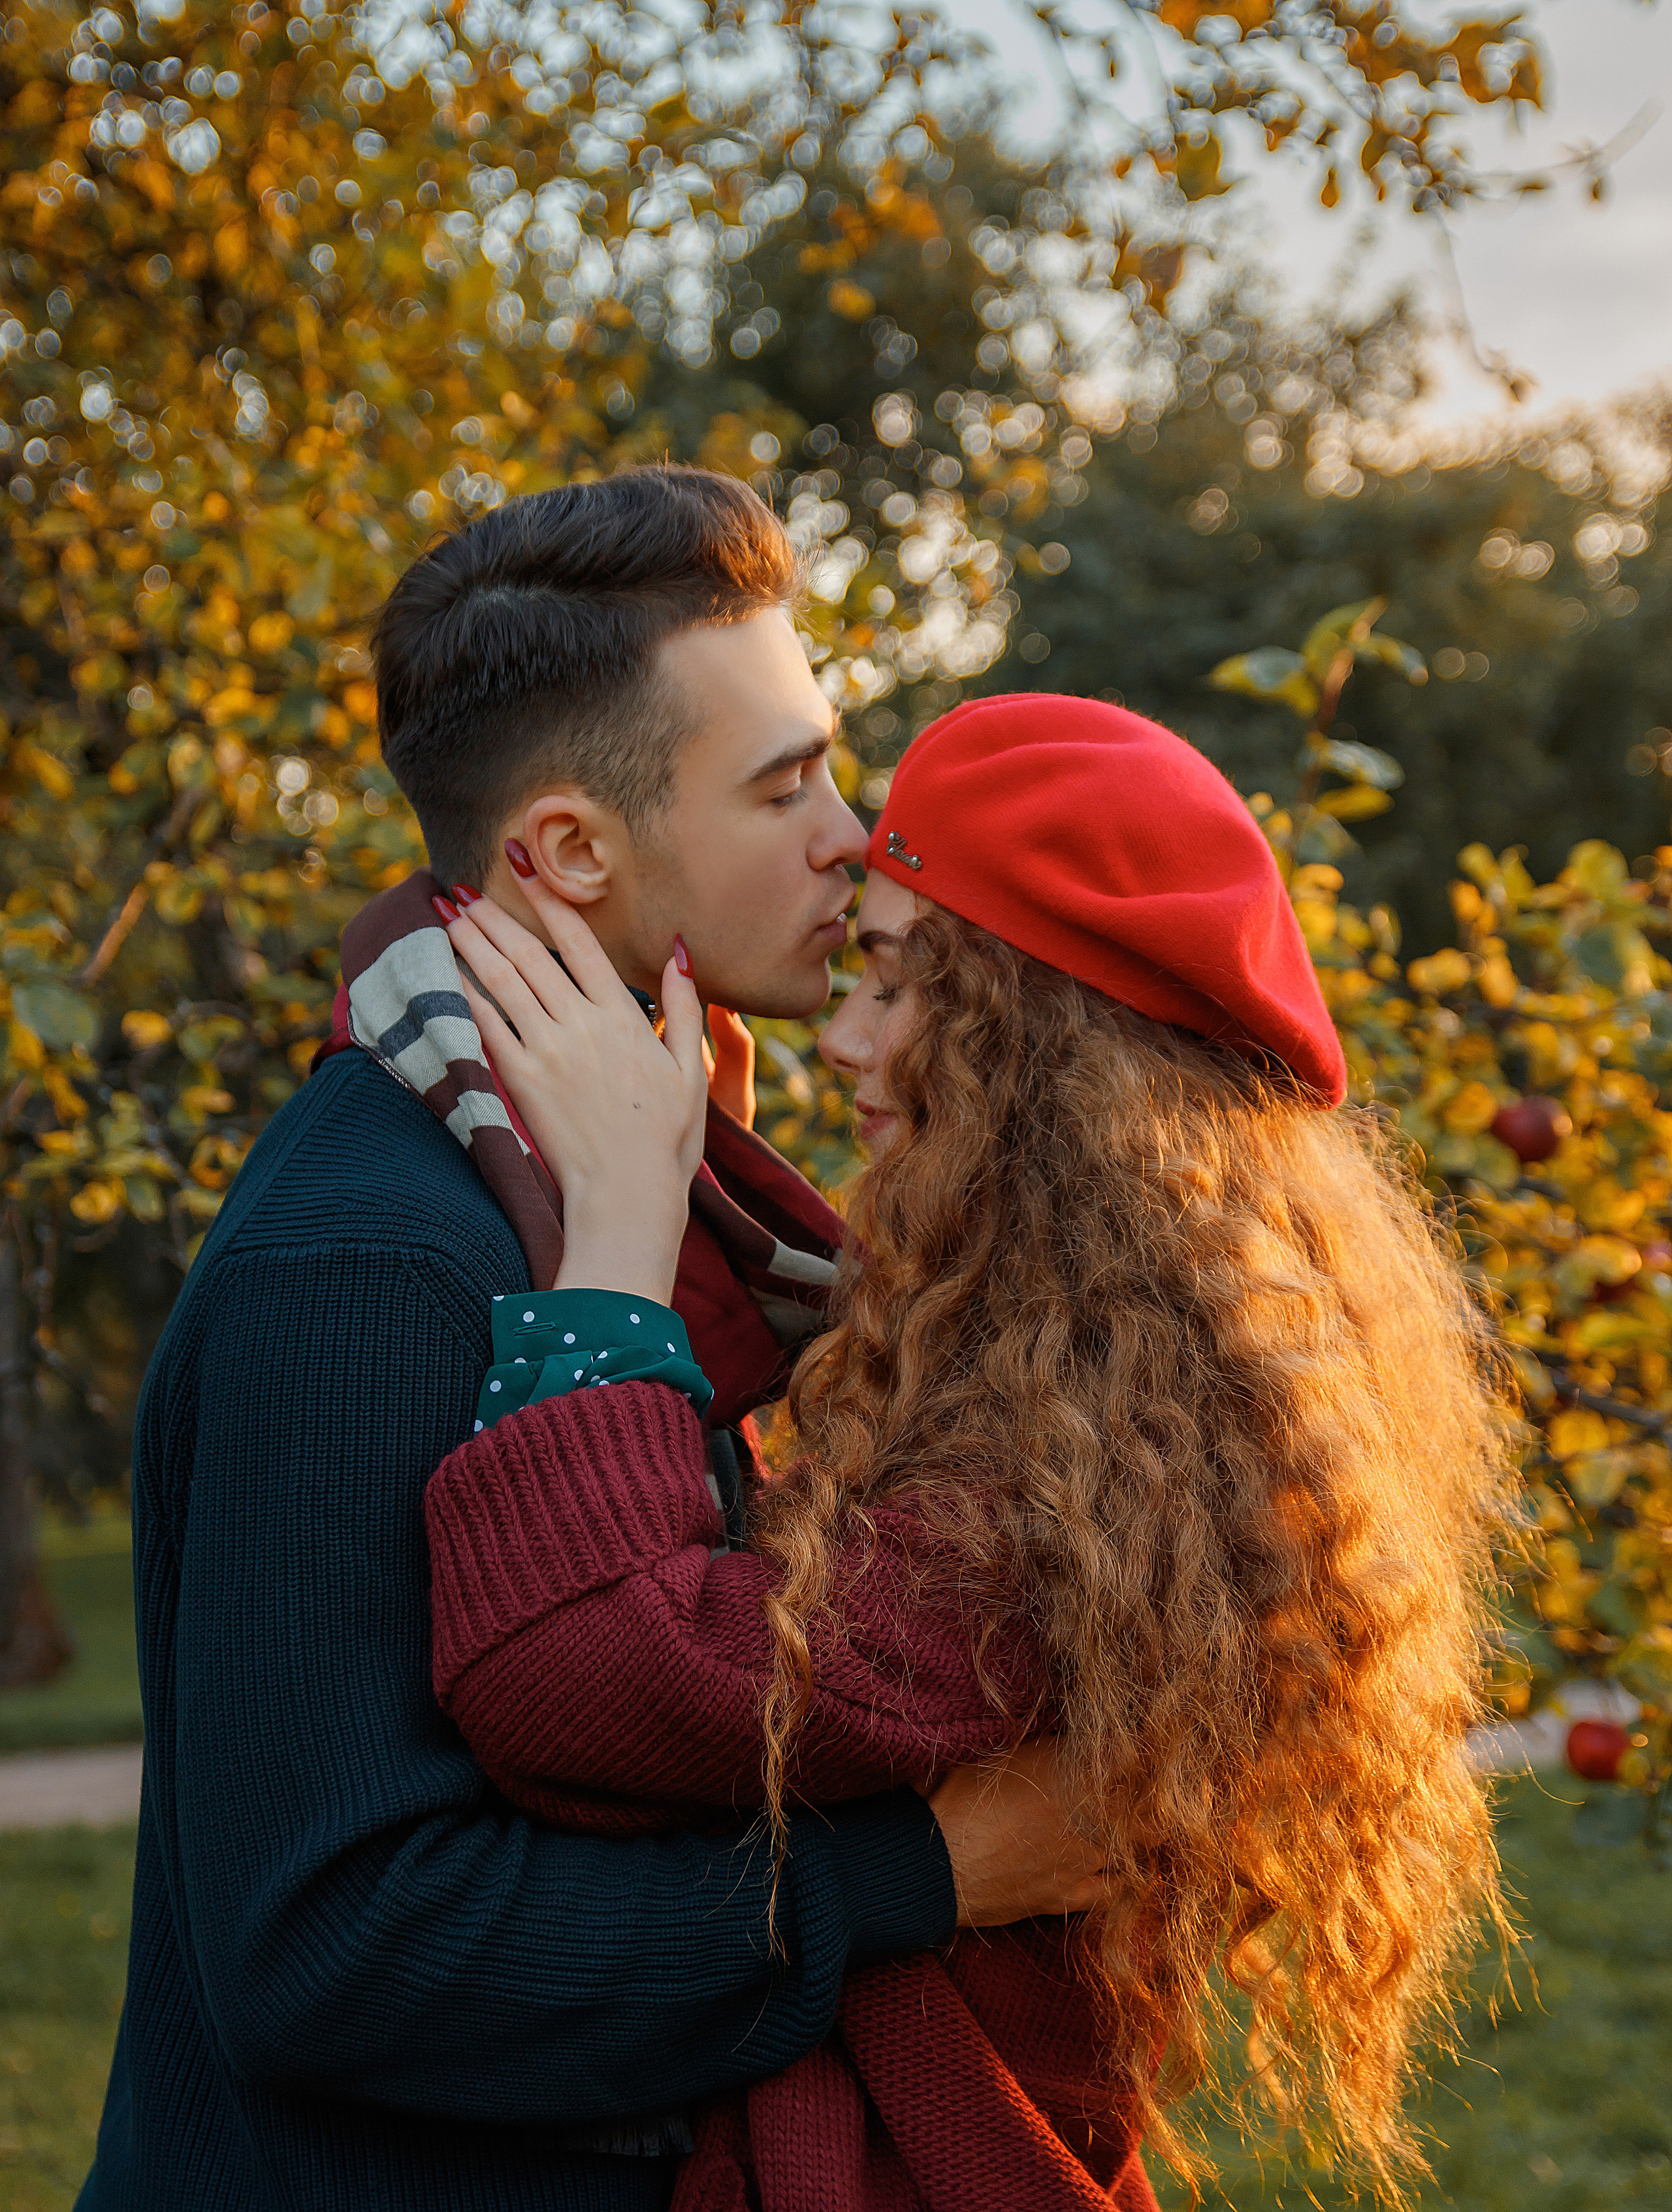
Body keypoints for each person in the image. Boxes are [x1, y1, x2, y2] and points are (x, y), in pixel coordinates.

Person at [79, 471, 1108, 2212]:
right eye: (786, 785)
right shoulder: (369, 1258)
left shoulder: (630, 1198)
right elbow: (340, 1949)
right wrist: (921, 1870)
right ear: (566, 852)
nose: (854, 835)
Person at [423, 693, 1516, 2209]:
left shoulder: (1060, 1469)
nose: (845, 1035)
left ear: (1037, 1050)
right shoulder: (1115, 1369)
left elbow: (594, 1679)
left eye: (894, 978)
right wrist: (686, 1210)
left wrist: (616, 1236)